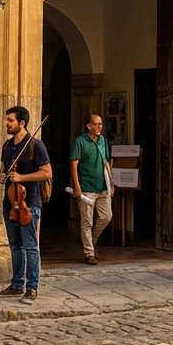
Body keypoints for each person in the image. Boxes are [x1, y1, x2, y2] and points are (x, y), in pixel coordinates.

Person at [0, 106, 51, 305]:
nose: (7, 123)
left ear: (22, 123)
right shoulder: (7, 145)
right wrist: (2, 176)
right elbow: (2, 170)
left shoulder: (35, 146)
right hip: (10, 203)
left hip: (29, 204)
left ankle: (32, 287)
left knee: (30, 247)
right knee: (15, 246)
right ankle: (16, 284)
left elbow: (47, 172)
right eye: (7, 120)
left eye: (10, 120)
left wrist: (22, 177)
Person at [69, 113, 112, 265]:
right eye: (96, 124)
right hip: (86, 187)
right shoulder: (80, 142)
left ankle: (92, 242)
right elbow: (73, 164)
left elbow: (106, 162)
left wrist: (111, 184)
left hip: (102, 187)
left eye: (100, 124)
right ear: (89, 126)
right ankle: (89, 253)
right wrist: (77, 186)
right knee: (87, 221)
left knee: (106, 216)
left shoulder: (103, 142)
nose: (99, 127)